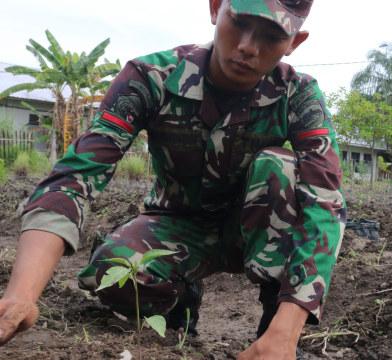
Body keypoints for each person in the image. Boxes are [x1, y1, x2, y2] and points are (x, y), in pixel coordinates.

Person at [0, 1, 346, 358]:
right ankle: (180, 298)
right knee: (113, 273)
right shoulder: (151, 77)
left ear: (294, 42)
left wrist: (286, 332)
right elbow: (76, 174)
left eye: (272, 36)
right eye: (239, 22)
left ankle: (274, 330)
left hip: (257, 231)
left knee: (281, 166)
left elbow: (325, 202)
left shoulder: (298, 94)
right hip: (178, 226)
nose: (248, 46)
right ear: (215, 8)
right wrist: (20, 295)